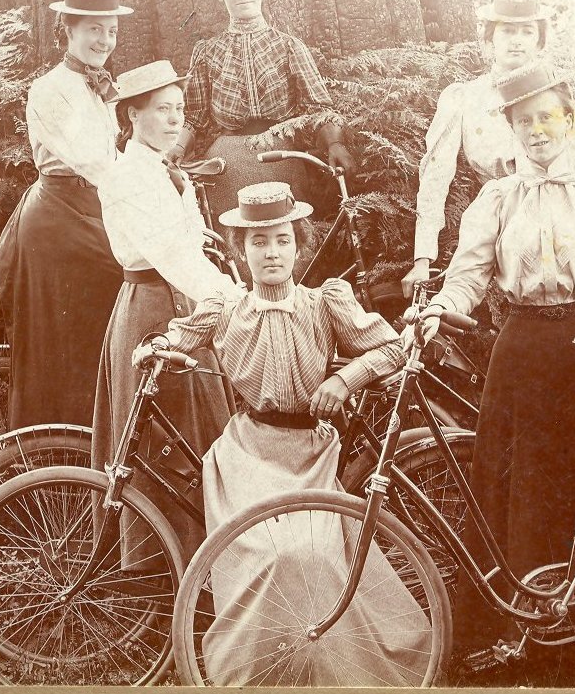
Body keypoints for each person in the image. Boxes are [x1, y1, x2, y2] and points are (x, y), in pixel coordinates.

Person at [411, 65, 575, 676]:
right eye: (523, 121)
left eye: (547, 117)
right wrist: (443, 307)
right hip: (520, 349)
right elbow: (469, 273)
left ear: (570, 122)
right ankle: (514, 630)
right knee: (508, 486)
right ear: (512, 131)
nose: (536, 131)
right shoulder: (497, 198)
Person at [134, 182, 430, 685]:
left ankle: (324, 667)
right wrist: (156, 346)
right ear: (241, 250)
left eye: (282, 240)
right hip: (247, 454)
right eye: (258, 242)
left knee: (311, 555)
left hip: (310, 454)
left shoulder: (325, 303)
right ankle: (262, 674)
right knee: (265, 557)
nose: (271, 253)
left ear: (299, 244)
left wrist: (345, 378)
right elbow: (178, 335)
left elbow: (394, 349)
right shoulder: (225, 309)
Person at [93, 60, 245, 560]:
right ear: (132, 117)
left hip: (184, 305)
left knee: (196, 432)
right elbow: (172, 256)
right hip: (153, 311)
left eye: (179, 109)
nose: (174, 119)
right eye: (162, 110)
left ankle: (207, 561)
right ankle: (159, 571)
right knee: (161, 440)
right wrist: (233, 300)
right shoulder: (129, 177)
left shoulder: (163, 171)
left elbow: (190, 243)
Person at [0, 0, 132, 430]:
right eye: (94, 29)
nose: (103, 42)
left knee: (100, 323)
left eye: (110, 32)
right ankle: (50, 454)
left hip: (90, 209)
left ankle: (102, 445)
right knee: (60, 339)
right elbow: (90, 158)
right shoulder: (49, 90)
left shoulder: (100, 88)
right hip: (56, 220)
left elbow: (110, 157)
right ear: (67, 30)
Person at [401, 0, 575, 297]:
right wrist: (423, 258)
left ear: (540, 40)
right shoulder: (464, 98)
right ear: (490, 38)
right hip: (500, 225)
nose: (517, 41)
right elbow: (435, 178)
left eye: (527, 32)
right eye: (507, 31)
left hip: (562, 224)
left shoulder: (556, 98)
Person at [168, 0, 354, 217]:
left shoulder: (289, 46)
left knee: (287, 239)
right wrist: (177, 148)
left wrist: (336, 144)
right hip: (227, 165)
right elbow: (195, 117)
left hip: (283, 157)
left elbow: (319, 109)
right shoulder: (207, 52)